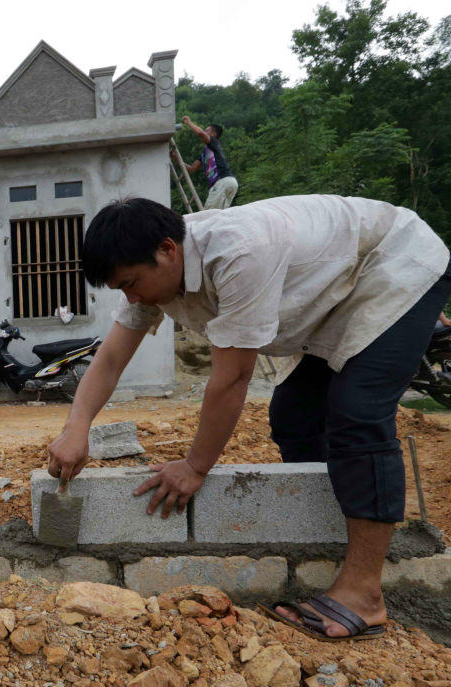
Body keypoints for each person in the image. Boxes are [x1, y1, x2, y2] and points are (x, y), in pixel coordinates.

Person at [48, 195, 450, 641]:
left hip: (394, 266)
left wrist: (196, 466)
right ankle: (337, 535)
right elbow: (110, 360)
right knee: (295, 416)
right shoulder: (152, 272)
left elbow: (232, 378)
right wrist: (75, 429)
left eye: (131, 283)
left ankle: (364, 592)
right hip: (332, 297)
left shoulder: (238, 253)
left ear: (167, 249)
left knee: (358, 414)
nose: (132, 296)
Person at [181, 115, 237, 209]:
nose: (204, 132)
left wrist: (189, 122)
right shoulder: (206, 154)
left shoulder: (214, 142)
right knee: (218, 215)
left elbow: (200, 133)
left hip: (221, 182)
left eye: (207, 130)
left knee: (208, 213)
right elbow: (191, 169)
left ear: (214, 134)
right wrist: (175, 158)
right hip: (230, 183)